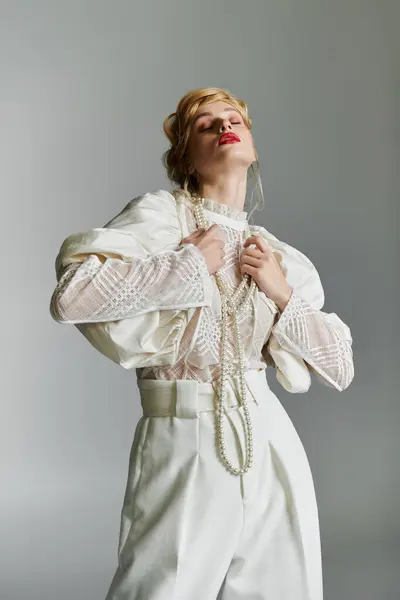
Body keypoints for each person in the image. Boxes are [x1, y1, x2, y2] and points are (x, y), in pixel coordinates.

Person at [49, 87, 354, 600]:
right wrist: (187, 266)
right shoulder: (161, 219)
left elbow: (339, 368)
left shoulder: (276, 255)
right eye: (205, 124)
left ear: (252, 146)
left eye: (233, 119)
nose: (223, 127)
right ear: (183, 156)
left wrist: (282, 295)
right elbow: (72, 298)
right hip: (184, 434)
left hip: (270, 437)